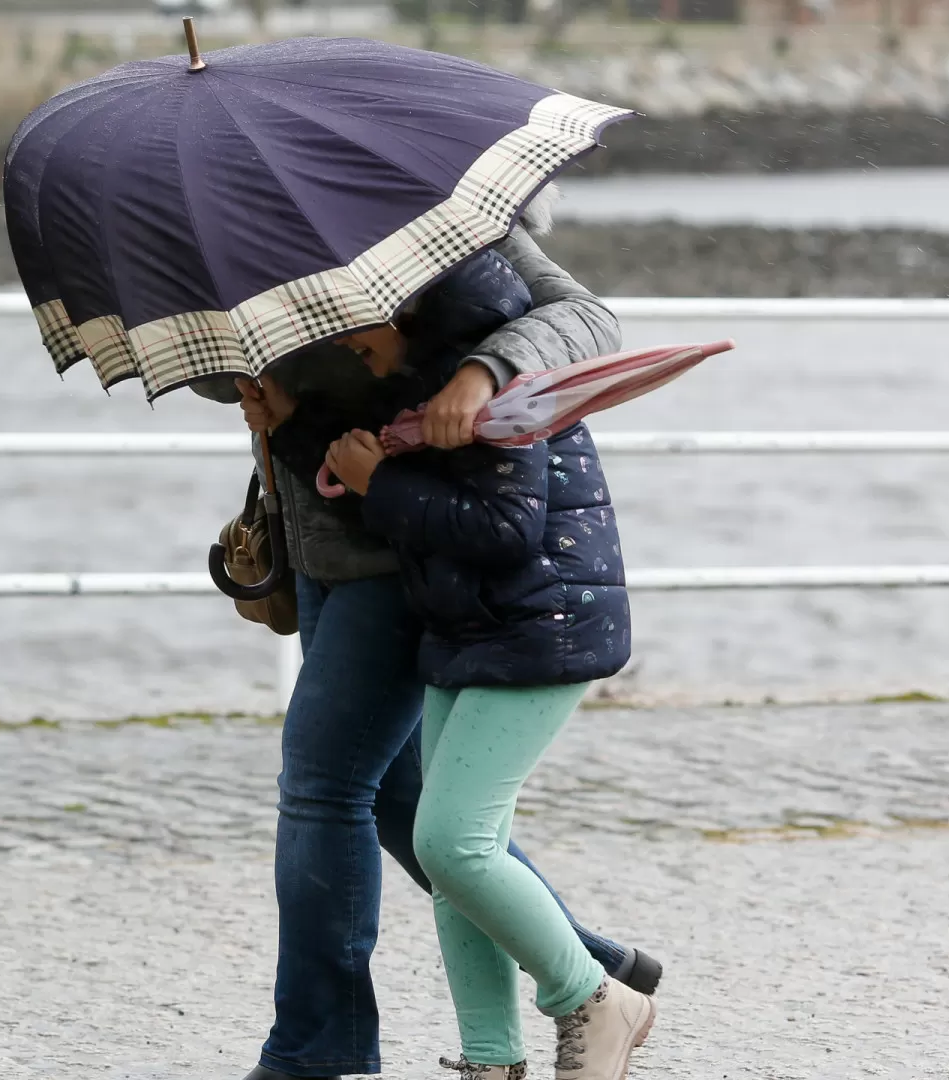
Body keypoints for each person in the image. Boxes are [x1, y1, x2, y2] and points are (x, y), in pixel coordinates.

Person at [196, 189, 663, 1080]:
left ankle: (316, 1051)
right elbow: (218, 364)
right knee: (408, 804)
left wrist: (480, 372)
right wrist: (258, 389)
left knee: (328, 786)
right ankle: (563, 986)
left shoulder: (435, 213)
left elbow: (581, 321)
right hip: (325, 538)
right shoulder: (237, 215)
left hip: (409, 550)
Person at [317, 247, 650, 1080]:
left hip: (542, 627)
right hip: (471, 629)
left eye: (353, 319)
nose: (341, 337)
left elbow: (507, 527)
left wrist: (379, 486)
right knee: (457, 858)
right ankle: (490, 1060)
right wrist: (296, 426)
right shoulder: (424, 382)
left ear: (402, 304)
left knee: (451, 842)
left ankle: (592, 996)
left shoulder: (493, 383)